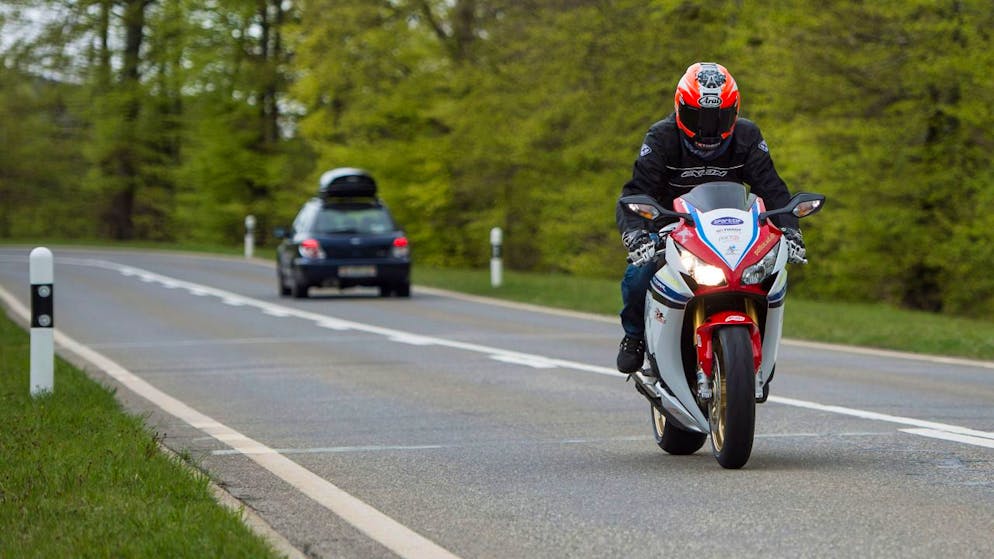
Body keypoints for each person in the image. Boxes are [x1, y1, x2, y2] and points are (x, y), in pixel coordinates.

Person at [615, 61, 806, 373]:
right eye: (698, 116)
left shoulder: (747, 136)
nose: (709, 128)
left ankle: (757, 352)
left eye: (720, 117)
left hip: (733, 231)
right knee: (638, 275)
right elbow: (636, 192)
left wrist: (791, 230)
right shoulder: (661, 137)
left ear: (735, 111)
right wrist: (635, 235)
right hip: (670, 228)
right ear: (680, 107)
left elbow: (773, 189)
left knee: (771, 274)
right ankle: (634, 336)